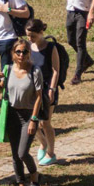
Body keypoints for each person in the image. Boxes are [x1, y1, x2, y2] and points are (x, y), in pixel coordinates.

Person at [0, 39, 43, 186]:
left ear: (29, 53)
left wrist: (33, 119)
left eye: (25, 51)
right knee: (14, 154)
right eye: (18, 51)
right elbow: (3, 91)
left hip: (28, 115)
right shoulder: (8, 69)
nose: (21, 55)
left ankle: (34, 176)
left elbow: (39, 98)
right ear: (13, 53)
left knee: (22, 152)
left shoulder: (35, 71)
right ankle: (21, 185)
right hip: (12, 114)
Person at [24, 19, 63, 166]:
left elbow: (55, 71)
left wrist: (52, 89)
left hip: (47, 88)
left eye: (33, 35)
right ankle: (43, 143)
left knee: (45, 122)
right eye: (28, 35)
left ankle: (51, 153)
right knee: (32, 120)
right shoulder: (28, 47)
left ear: (41, 33)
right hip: (32, 88)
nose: (30, 38)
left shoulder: (50, 47)